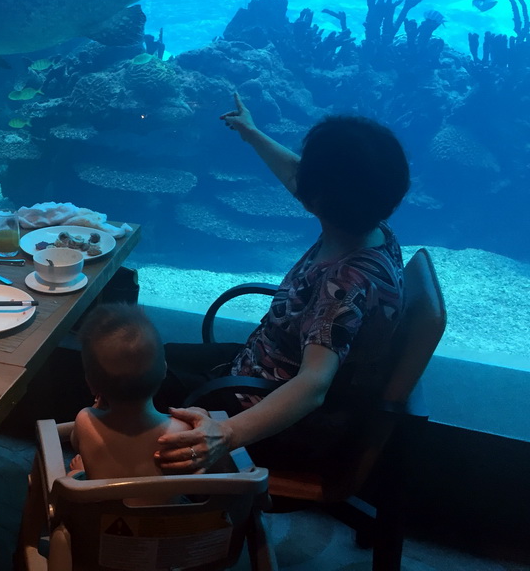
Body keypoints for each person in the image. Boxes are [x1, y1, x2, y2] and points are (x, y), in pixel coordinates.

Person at [154, 92, 410, 475]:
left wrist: (224, 434)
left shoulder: (344, 285)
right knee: (151, 359)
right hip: (258, 366)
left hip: (268, 414)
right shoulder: (368, 225)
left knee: (130, 382)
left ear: (317, 197)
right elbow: (301, 178)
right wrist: (252, 133)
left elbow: (313, 384)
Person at [69, 303, 190, 486]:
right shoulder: (183, 431)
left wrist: (79, 472)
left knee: (76, 471)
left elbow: (76, 444)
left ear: (91, 385)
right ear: (164, 370)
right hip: (165, 515)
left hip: (103, 514)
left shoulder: (85, 421)